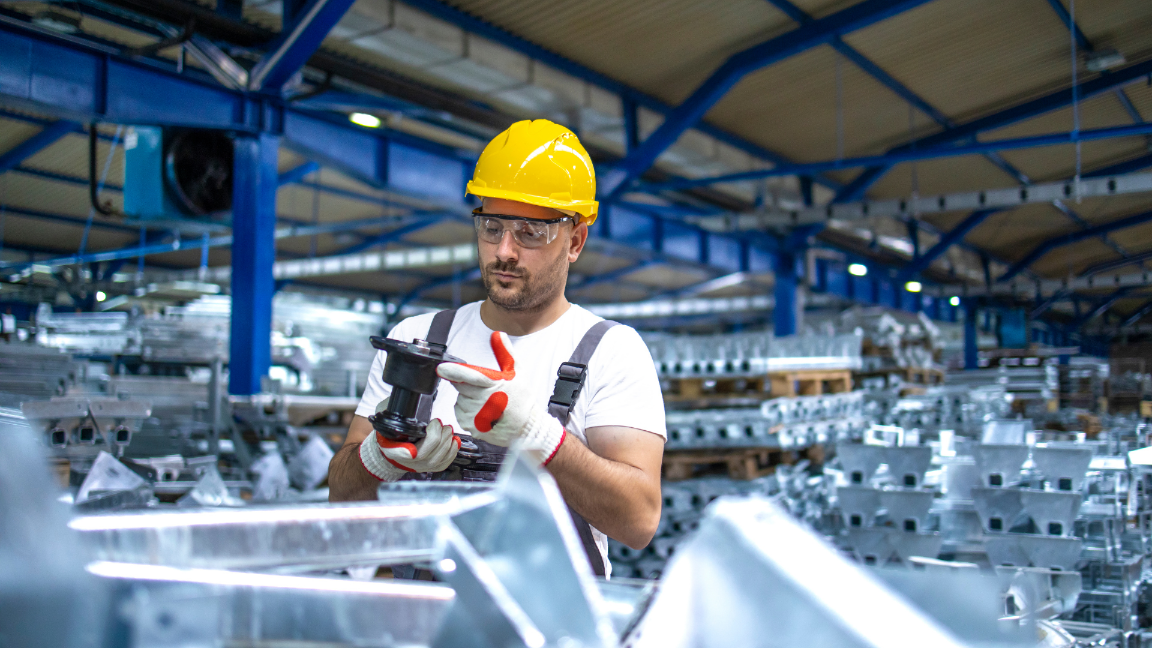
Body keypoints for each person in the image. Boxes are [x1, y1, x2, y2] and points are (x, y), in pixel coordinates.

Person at [328, 119, 666, 576]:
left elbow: (639, 521)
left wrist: (541, 438)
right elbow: (342, 498)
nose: (504, 250)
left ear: (576, 241)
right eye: (492, 226)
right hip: (422, 620)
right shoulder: (419, 339)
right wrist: (378, 458)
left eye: (530, 232)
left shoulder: (610, 351)